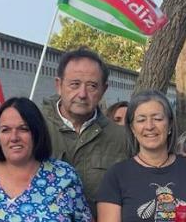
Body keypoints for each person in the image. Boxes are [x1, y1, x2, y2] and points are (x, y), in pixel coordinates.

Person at [97, 90, 186, 222]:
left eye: (157, 119)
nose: (149, 126)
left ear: (170, 124)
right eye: (141, 120)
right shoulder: (116, 175)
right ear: (133, 128)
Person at [42, 48, 132, 212]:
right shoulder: (32, 128)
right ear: (59, 85)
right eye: (74, 84)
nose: (82, 94)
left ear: (103, 90)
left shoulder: (122, 139)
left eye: (91, 86)